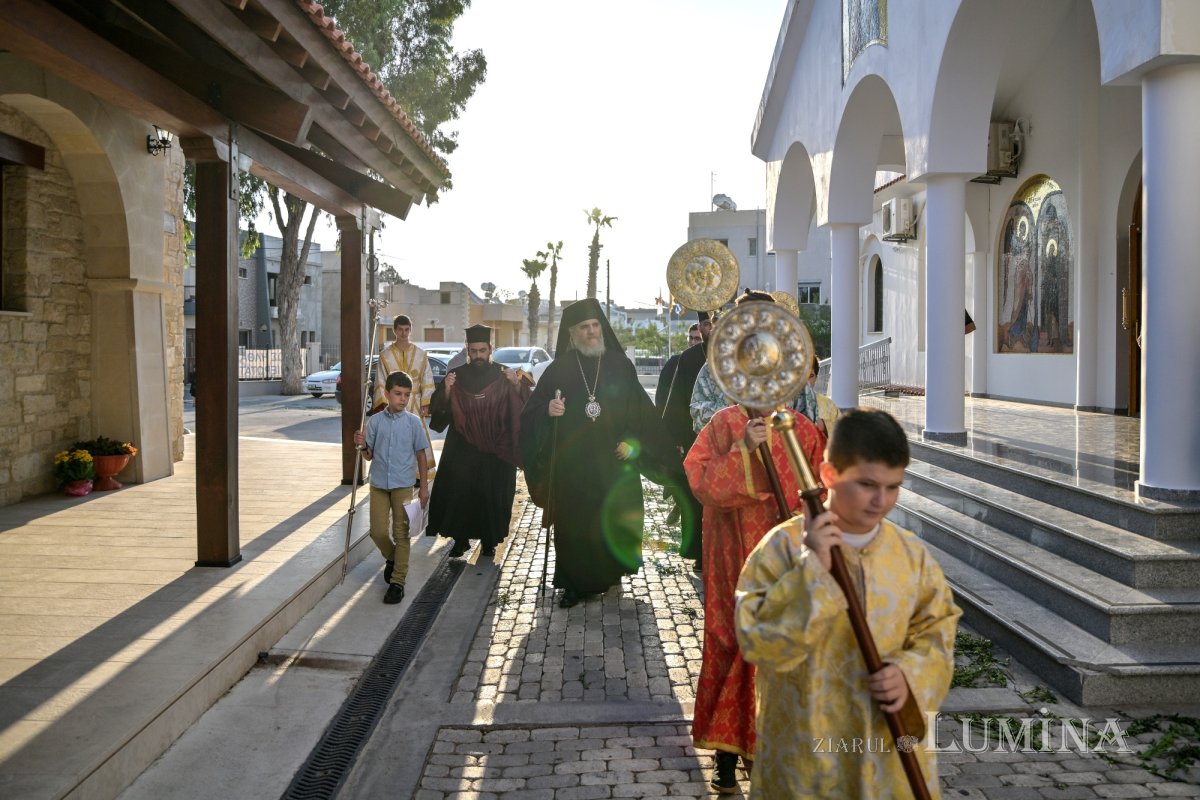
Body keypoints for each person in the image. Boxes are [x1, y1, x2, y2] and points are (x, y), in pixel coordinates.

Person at [734, 408, 961, 798]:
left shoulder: (911, 557)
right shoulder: (780, 550)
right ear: (828, 476)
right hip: (807, 758)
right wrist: (813, 573)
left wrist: (909, 673)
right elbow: (758, 641)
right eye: (867, 484)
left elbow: (937, 630)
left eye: (893, 487)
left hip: (886, 754)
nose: (880, 501)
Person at [684, 388, 826, 793]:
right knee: (730, 639)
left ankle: (772, 746)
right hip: (732, 554)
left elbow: (820, 492)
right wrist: (743, 449)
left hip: (783, 558)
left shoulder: (801, 429)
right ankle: (726, 754)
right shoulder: (723, 424)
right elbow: (700, 481)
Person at [520, 298, 686, 609]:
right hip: (573, 466)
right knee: (574, 525)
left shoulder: (620, 365)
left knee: (611, 520)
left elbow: (641, 413)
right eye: (585, 327)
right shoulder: (559, 370)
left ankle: (610, 574)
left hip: (613, 462)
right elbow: (530, 416)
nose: (592, 331)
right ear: (572, 333)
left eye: (596, 325)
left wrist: (632, 441)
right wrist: (548, 410)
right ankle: (573, 583)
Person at [427, 325, 532, 559]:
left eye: (481, 351)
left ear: (490, 349)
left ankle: (489, 541)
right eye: (473, 351)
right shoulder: (457, 376)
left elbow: (525, 403)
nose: (477, 356)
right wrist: (445, 389)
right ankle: (460, 540)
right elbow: (439, 408)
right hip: (462, 448)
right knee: (460, 493)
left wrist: (515, 384)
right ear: (467, 350)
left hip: (496, 448)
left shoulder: (504, 373)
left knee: (492, 495)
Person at [690, 290, 822, 437]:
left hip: (783, 452)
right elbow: (698, 412)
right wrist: (736, 410)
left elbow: (810, 419)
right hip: (735, 451)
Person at [353, 371, 430, 604]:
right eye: (398, 394)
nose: (403, 399)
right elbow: (368, 456)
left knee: (401, 533)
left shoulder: (413, 423)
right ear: (386, 394)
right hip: (378, 485)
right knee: (377, 531)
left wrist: (424, 488)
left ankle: (397, 582)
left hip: (403, 485)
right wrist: (363, 444)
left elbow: (421, 455)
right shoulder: (374, 422)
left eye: (407, 395)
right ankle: (394, 558)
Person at [654, 311, 714, 567]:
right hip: (692, 438)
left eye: (716, 322)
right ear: (701, 327)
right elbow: (673, 400)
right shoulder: (687, 359)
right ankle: (699, 552)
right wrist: (673, 438)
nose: (711, 328)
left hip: (730, 439)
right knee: (695, 496)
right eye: (707, 323)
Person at [373, 314, 435, 472]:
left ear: (411, 330)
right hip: (393, 405)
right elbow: (381, 382)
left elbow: (427, 379)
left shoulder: (421, 354)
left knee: (417, 437)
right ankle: (395, 470)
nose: (403, 333)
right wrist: (385, 406)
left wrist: (426, 403)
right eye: (400, 329)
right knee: (395, 437)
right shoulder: (385, 355)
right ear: (394, 330)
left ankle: (418, 474)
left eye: (407, 329)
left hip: (414, 403)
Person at [809, 354, 840, 438]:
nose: (805, 382)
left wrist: (823, 427)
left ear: (816, 378)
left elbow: (841, 439)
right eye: (800, 376)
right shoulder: (779, 406)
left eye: (810, 376)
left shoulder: (828, 405)